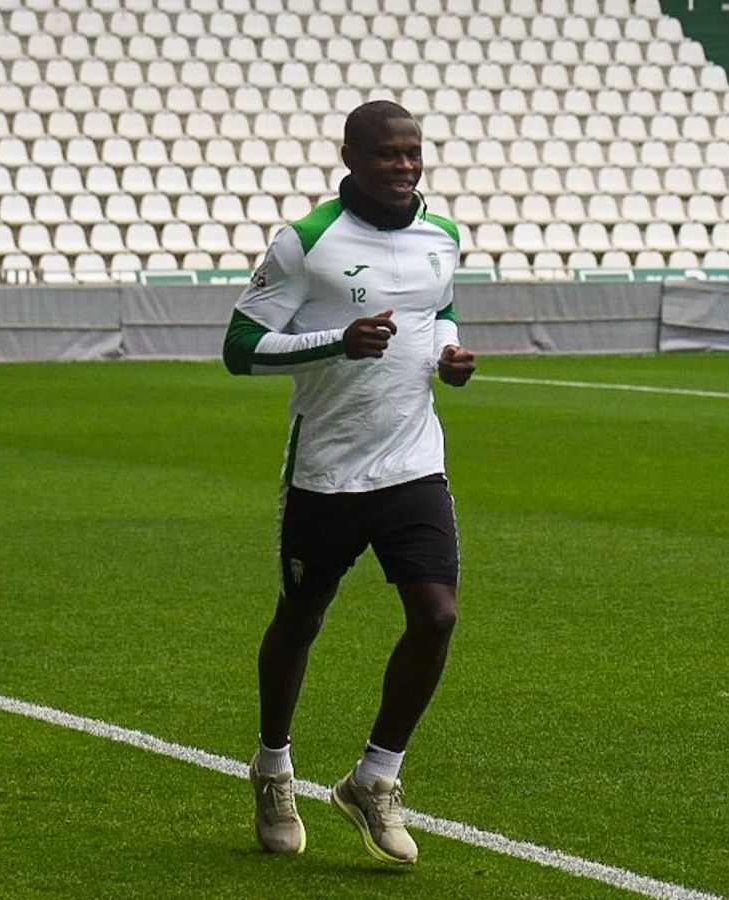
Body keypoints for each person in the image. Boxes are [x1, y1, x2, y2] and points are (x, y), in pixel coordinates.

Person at [222, 100, 474, 864]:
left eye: (413, 153)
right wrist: (339, 341)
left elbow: (442, 308)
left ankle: (375, 777)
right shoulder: (306, 242)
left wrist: (452, 353)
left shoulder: (443, 237)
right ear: (351, 157)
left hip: (413, 464)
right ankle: (273, 767)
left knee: (436, 616)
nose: (405, 167)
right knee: (300, 619)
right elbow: (239, 346)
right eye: (388, 155)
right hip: (327, 473)